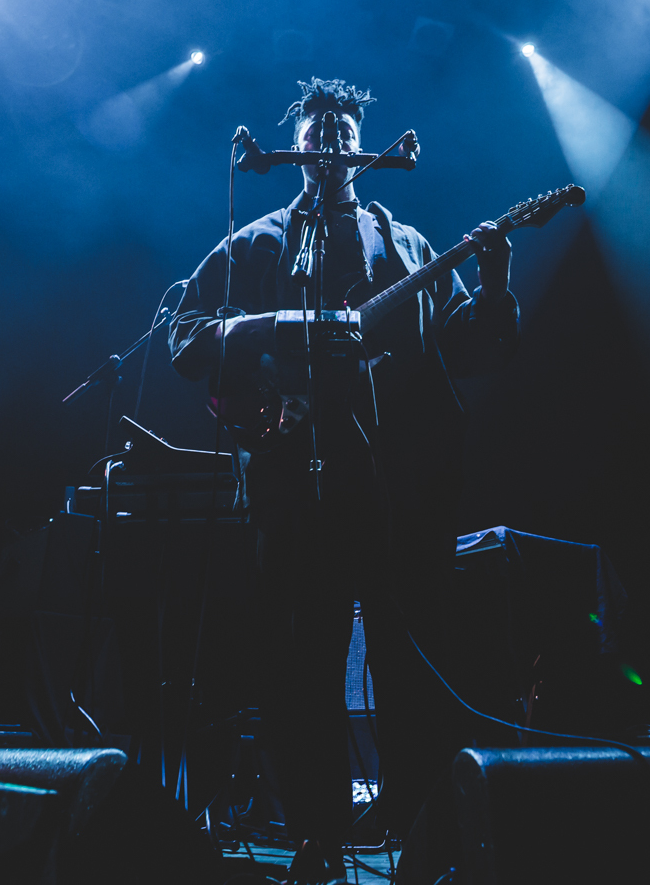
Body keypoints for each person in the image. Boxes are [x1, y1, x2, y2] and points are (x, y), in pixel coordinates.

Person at [169, 79, 519, 883]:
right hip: (296, 486)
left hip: (403, 489)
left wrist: (494, 283)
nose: (329, 140)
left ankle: (422, 835)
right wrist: (267, 329)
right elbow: (186, 337)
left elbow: (467, 348)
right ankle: (318, 837)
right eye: (316, 127)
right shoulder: (256, 243)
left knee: (413, 659)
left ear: (365, 146)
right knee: (304, 663)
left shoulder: (411, 244)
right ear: (297, 146)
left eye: (344, 127)